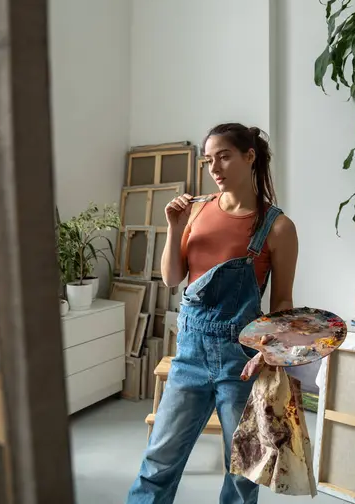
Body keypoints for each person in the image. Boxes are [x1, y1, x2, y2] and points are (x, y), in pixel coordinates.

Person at [126, 123, 298, 504]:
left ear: (249, 156)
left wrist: (268, 354)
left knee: (242, 469)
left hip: (241, 361)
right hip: (189, 354)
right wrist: (174, 227)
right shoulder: (197, 210)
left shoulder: (278, 227)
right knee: (158, 462)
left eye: (223, 156)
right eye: (208, 160)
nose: (214, 168)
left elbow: (283, 304)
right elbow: (172, 278)